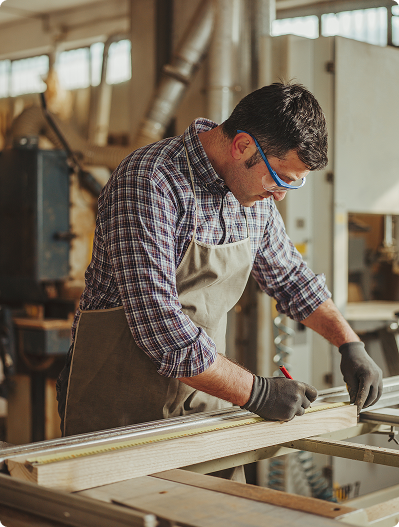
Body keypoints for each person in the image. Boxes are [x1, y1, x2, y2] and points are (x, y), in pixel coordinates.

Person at [57, 82, 382, 444]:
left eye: (292, 185)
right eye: (279, 179)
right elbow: (160, 328)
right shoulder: (150, 181)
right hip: (117, 408)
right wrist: (258, 393)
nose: (279, 195)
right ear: (242, 146)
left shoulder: (256, 199)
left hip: (204, 402)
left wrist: (350, 344)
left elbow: (291, 279)